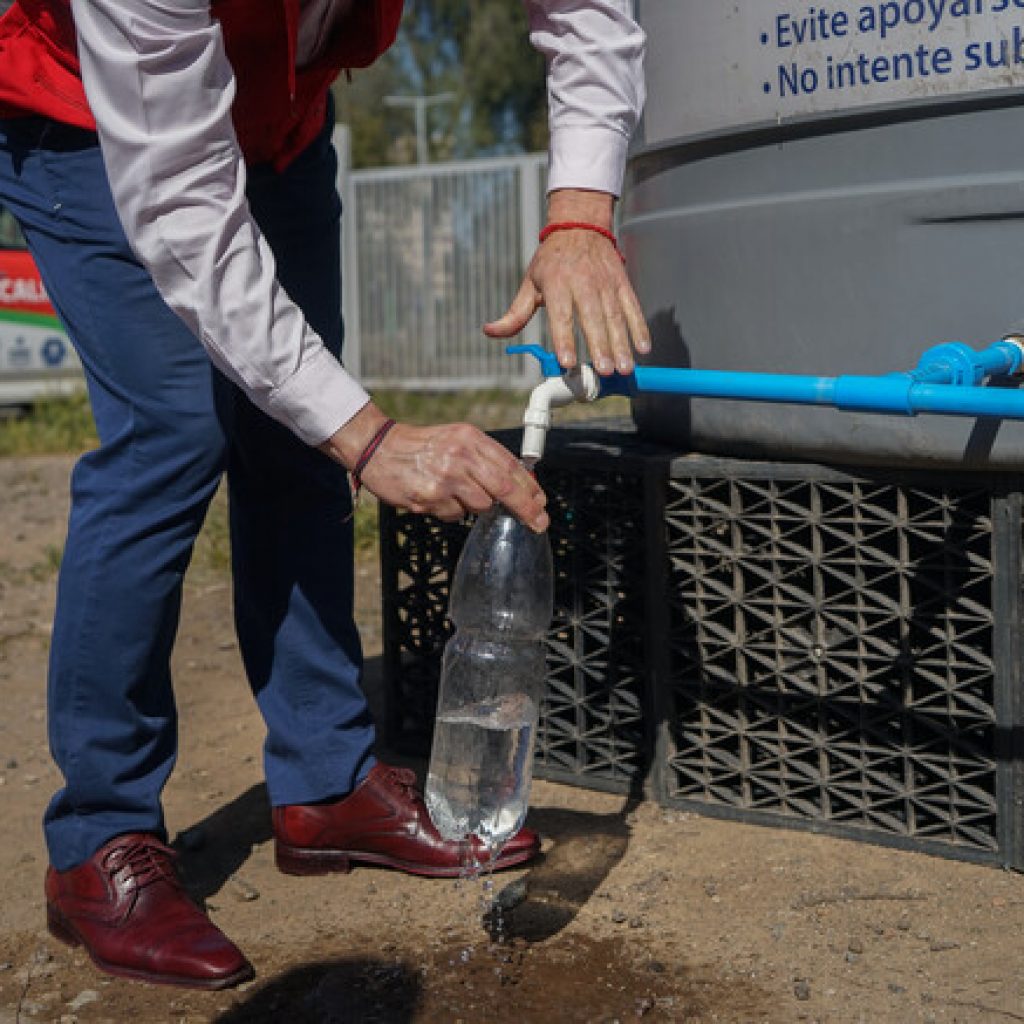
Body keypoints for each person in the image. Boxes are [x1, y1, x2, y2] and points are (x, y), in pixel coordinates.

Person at [0, 0, 648, 990]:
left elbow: (588, 10)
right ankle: (100, 836)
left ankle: (324, 782)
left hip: (283, 128)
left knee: (295, 442)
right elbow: (181, 203)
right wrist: (374, 436)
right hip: (88, 112)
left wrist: (579, 209)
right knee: (176, 432)